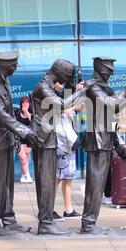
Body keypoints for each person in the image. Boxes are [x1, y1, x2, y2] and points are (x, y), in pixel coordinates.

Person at [0, 51, 39, 236]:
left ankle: (8, 219)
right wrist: (24, 131)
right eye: (14, 64)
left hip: (4, 138)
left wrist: (16, 135)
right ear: (5, 65)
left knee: (7, 182)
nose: (16, 66)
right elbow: (0, 115)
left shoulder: (3, 81)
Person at [31, 59, 85, 235]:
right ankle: (45, 223)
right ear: (60, 73)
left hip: (49, 137)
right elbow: (61, 105)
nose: (68, 79)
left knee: (47, 181)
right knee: (46, 181)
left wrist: (73, 86)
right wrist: (82, 91)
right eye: (67, 76)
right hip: (44, 139)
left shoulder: (48, 84)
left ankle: (46, 220)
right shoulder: (43, 87)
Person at [80, 56, 126, 234]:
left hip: (104, 139)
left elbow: (114, 109)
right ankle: (88, 223)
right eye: (109, 69)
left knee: (99, 183)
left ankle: (91, 221)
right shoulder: (93, 86)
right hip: (97, 139)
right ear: (102, 69)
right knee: (95, 183)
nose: (112, 72)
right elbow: (112, 105)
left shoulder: (103, 88)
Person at [53, 100, 84, 221]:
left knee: (68, 178)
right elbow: (61, 109)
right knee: (57, 178)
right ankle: (49, 209)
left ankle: (68, 209)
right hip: (61, 145)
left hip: (68, 144)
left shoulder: (64, 98)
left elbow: (70, 112)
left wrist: (77, 106)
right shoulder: (50, 94)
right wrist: (74, 106)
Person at [15, 96, 34, 183]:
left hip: (28, 139)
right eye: (23, 102)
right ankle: (28, 175)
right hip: (18, 139)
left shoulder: (31, 113)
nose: (25, 104)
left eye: (27, 102)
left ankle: (23, 175)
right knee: (23, 158)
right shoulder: (17, 113)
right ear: (21, 104)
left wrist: (26, 112)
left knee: (26, 158)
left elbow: (32, 122)